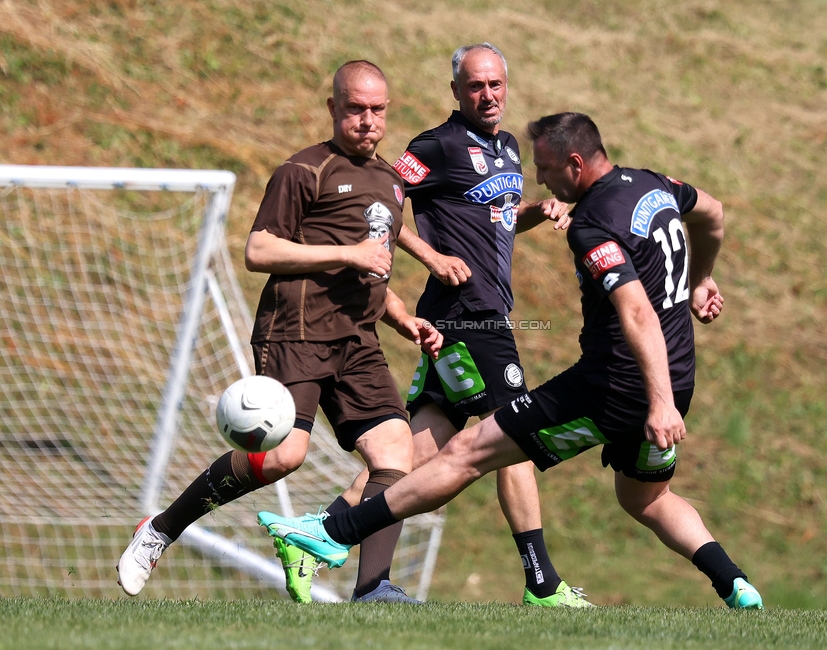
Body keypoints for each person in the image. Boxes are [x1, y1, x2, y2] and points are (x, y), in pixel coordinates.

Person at [257, 111, 764, 610]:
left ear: (575, 162)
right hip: (673, 377)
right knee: (644, 499)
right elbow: (713, 213)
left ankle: (332, 533)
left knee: (470, 450)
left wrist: (657, 403)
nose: (538, 178)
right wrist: (699, 279)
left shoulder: (590, 224)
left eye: (544, 168)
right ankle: (735, 584)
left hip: (618, 384)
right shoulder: (655, 184)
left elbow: (635, 312)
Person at [269, 42, 589, 607]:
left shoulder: (510, 148)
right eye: (474, 86)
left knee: (412, 456)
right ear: (456, 92)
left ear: (506, 87)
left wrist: (533, 213)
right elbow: (384, 197)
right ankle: (542, 583)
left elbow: (495, 219)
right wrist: (430, 257)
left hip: (488, 311)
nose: (486, 94)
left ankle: (320, 537)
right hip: (465, 316)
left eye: (494, 84)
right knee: (512, 432)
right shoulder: (434, 146)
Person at [117, 60, 443, 602]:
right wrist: (346, 252)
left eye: (377, 110)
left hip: (358, 340)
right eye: (356, 109)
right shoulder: (303, 170)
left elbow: (372, 269)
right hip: (295, 333)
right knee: (284, 457)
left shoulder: (390, 180)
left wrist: (404, 317)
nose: (367, 120)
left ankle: (374, 590)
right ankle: (160, 530)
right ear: (334, 109)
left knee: (395, 455)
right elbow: (258, 249)